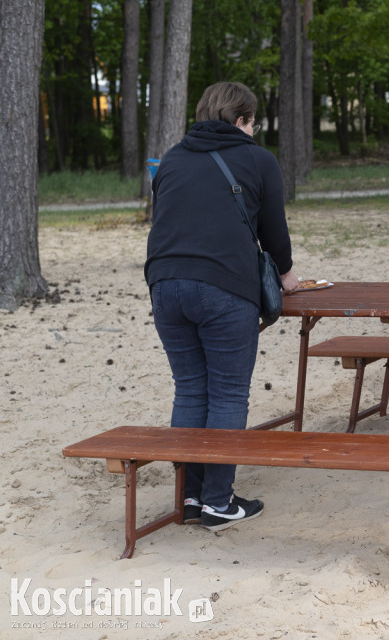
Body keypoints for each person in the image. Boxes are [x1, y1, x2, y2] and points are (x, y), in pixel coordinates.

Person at [145, 81, 299, 532]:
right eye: (253, 122)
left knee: (190, 389)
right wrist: (286, 274)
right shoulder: (257, 159)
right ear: (241, 120)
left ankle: (191, 498)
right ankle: (218, 503)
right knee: (228, 394)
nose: (254, 130)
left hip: (164, 285)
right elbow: (274, 231)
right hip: (223, 287)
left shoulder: (172, 158)